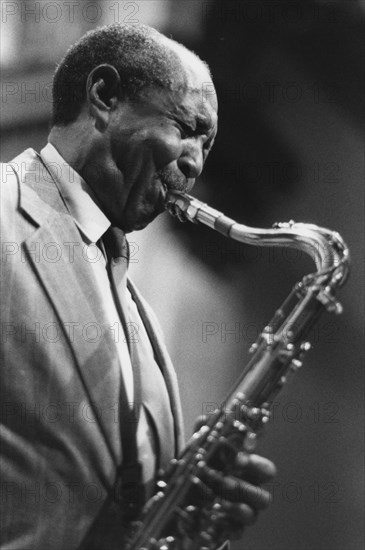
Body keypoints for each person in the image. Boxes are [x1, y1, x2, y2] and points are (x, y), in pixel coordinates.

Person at [0, 23, 276, 549]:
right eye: (187, 128)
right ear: (104, 97)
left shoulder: (135, 309)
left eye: (207, 144)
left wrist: (186, 506)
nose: (195, 162)